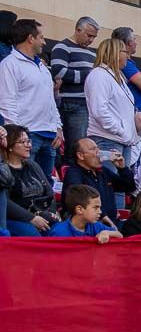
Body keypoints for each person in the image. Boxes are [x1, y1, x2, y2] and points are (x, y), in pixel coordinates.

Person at [0, 19, 63, 179]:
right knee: (23, 184)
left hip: (50, 137)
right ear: (30, 38)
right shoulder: (9, 65)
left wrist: (58, 126)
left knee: (45, 185)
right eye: (41, 37)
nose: (44, 42)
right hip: (28, 137)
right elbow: (7, 102)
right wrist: (16, 136)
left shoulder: (42, 67)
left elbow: (50, 101)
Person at [84, 38, 138, 171]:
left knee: (121, 186)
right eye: (125, 52)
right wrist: (119, 129)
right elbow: (99, 110)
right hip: (106, 139)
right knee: (110, 185)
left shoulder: (117, 77)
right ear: (115, 53)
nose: (128, 55)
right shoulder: (99, 75)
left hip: (122, 140)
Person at [50, 16, 99, 153]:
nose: (91, 40)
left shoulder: (92, 53)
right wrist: (88, 75)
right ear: (78, 30)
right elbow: (59, 72)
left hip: (85, 103)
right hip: (70, 102)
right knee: (77, 148)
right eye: (89, 35)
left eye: (94, 37)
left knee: (81, 147)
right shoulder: (62, 47)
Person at [61, 137, 135, 229]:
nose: (98, 152)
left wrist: (122, 169)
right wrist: (103, 215)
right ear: (81, 156)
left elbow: (128, 187)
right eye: (93, 149)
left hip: (112, 222)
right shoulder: (74, 173)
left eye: (98, 148)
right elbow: (77, 197)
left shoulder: (102, 171)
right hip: (90, 225)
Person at [3, 124, 57, 235]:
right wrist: (31, 218)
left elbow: (49, 192)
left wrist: (50, 213)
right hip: (16, 218)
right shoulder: (3, 170)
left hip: (40, 213)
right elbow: (5, 202)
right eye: (23, 142)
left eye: (29, 141)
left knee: (60, 231)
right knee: (33, 235)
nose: (28, 146)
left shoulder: (33, 165)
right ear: (10, 146)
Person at [49, 184, 121, 242]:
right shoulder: (58, 232)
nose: (100, 212)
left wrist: (107, 233)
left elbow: (119, 235)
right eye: (96, 208)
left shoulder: (95, 225)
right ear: (80, 209)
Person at [110, 28, 141, 117]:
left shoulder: (126, 63)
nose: (136, 43)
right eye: (134, 40)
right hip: (136, 116)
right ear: (129, 43)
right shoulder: (126, 65)